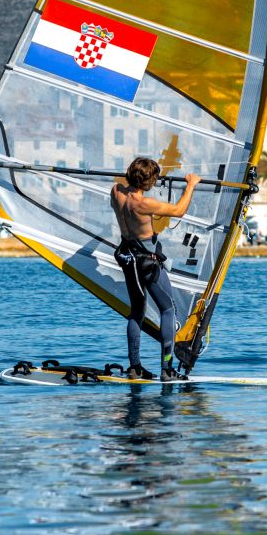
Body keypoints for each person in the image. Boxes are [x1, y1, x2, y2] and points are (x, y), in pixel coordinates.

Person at [111, 157, 199, 380]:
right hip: (147, 263)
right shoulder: (144, 204)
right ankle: (167, 370)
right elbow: (178, 210)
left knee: (136, 312)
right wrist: (191, 185)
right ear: (149, 181)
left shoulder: (116, 192)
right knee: (168, 310)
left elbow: (122, 186)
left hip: (128, 259)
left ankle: (135, 367)